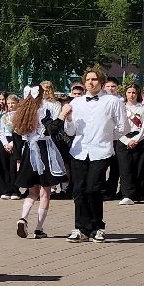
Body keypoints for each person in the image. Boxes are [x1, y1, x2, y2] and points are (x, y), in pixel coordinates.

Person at [62, 69, 123, 243]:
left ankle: (98, 227)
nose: (90, 82)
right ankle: (81, 228)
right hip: (79, 151)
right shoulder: (77, 102)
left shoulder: (112, 101)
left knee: (93, 188)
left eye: (94, 79)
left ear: (101, 82)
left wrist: (107, 136)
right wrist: (68, 119)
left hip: (101, 150)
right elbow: (71, 131)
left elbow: (122, 127)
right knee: (79, 190)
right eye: (87, 79)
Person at [10, 91, 66, 238]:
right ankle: (38, 229)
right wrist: (62, 115)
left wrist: (18, 159)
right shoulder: (43, 111)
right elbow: (51, 129)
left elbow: (17, 137)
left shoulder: (22, 113)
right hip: (44, 151)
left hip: (28, 152)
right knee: (45, 192)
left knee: (32, 192)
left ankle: (23, 218)